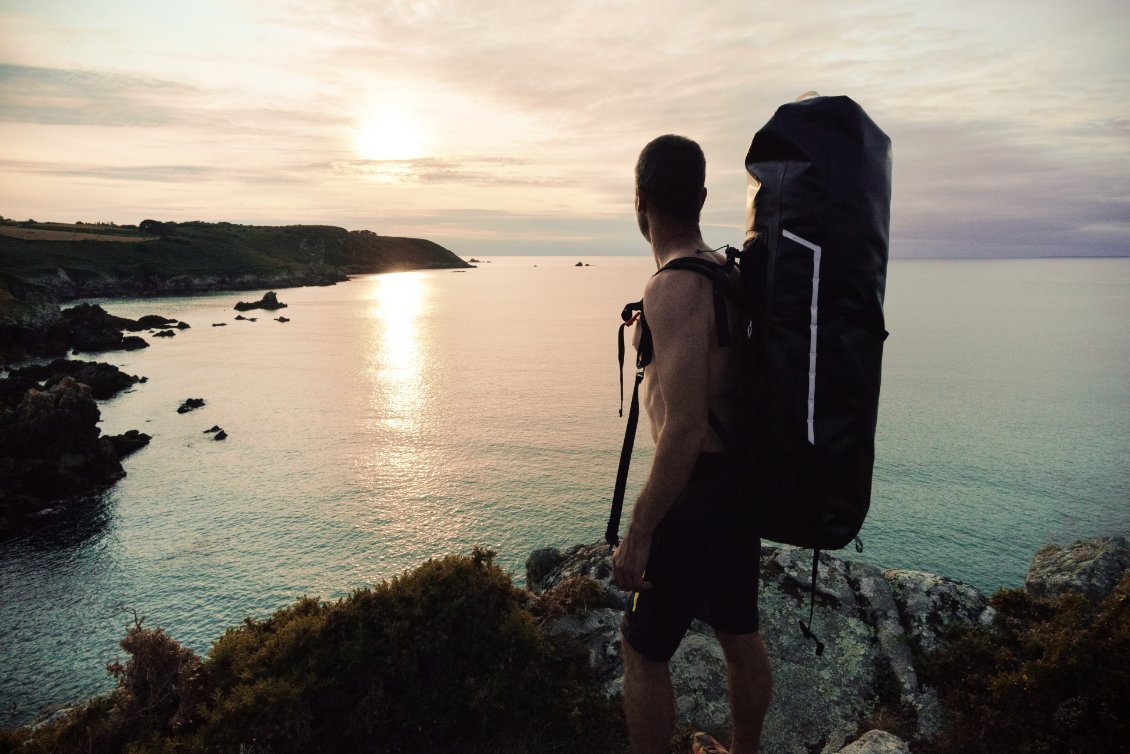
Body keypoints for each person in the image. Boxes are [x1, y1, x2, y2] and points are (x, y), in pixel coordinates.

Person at [611, 135, 772, 754]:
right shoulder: (724, 271)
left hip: (696, 490)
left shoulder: (672, 287)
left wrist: (642, 529)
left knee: (642, 649)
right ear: (703, 197)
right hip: (737, 485)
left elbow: (683, 426)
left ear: (640, 200)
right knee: (737, 632)